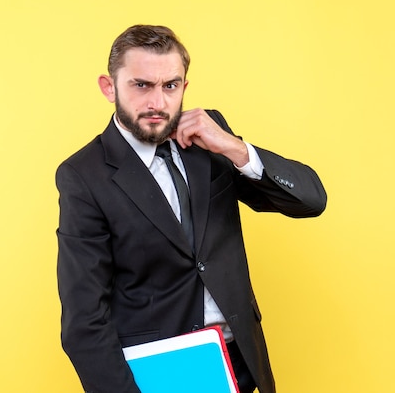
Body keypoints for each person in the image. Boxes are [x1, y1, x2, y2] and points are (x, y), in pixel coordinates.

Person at [56, 24, 327, 393]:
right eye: (141, 85)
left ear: (183, 86)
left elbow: (310, 201)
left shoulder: (209, 139)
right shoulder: (84, 175)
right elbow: (84, 321)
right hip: (162, 374)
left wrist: (234, 148)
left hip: (241, 361)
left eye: (169, 86)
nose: (157, 102)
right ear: (109, 87)